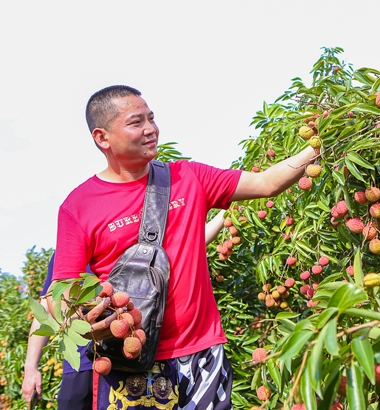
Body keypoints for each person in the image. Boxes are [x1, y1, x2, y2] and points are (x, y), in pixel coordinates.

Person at [50, 85, 319, 409]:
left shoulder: (188, 177)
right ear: (102, 137)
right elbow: (61, 290)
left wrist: (319, 145)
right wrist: (86, 318)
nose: (151, 129)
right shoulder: (79, 206)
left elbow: (266, 183)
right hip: (132, 362)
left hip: (203, 354)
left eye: (152, 118)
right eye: (137, 123)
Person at [22, 209, 228, 408]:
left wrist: (226, 214)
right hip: (79, 367)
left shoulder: (129, 246)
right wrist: (30, 368)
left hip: (123, 363)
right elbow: (46, 311)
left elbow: (184, 250)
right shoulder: (65, 255)